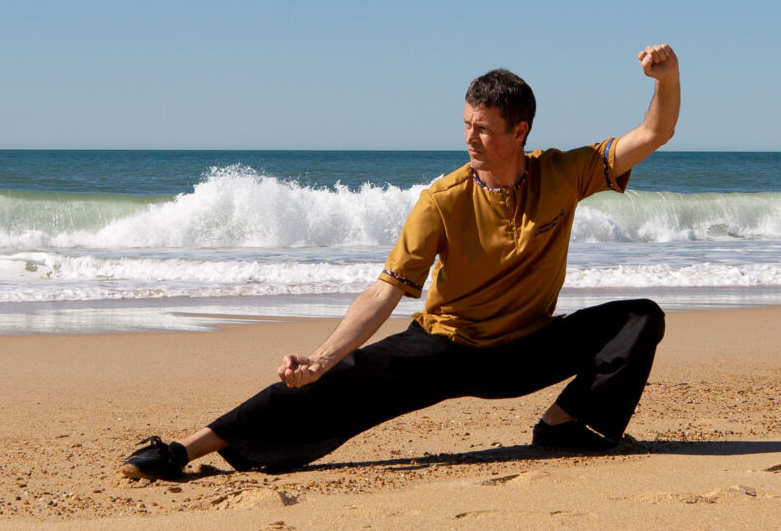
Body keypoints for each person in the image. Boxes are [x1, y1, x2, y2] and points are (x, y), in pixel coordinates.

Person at [119, 47, 681, 480]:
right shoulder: (444, 199)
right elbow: (384, 292)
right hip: (447, 349)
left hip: (526, 349)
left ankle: (565, 427)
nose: (470, 137)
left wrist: (667, 79)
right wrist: (319, 358)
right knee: (338, 386)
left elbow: (656, 132)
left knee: (639, 318)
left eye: (484, 127)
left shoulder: (564, 173)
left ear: (519, 131)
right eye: (466, 123)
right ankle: (184, 449)